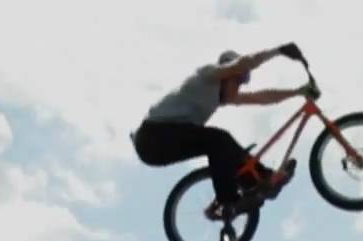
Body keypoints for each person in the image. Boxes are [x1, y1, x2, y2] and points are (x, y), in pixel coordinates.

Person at [132, 43, 311, 220]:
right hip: (152, 136)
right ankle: (230, 201)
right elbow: (244, 63)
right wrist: (278, 51)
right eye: (239, 80)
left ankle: (263, 182)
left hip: (161, 143)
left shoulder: (220, 96)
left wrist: (297, 92)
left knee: (229, 149)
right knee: (219, 139)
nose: (239, 88)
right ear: (227, 74)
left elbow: (260, 97)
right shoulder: (208, 75)